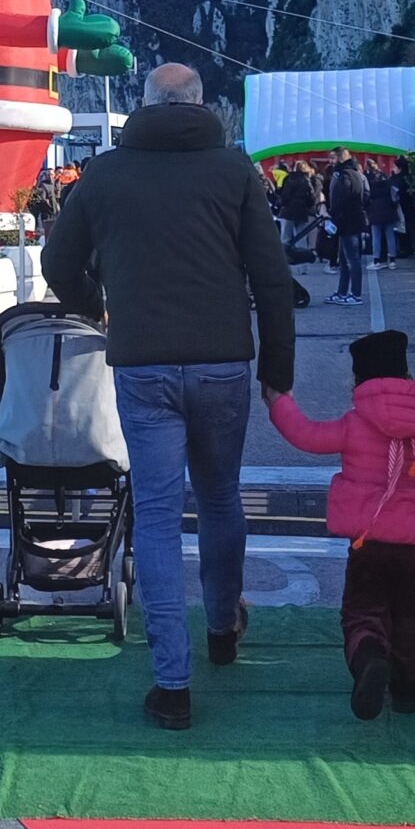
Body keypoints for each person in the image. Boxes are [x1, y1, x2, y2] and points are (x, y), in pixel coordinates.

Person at [43, 61, 299, 732]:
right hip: (222, 363)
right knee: (220, 496)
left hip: (144, 364)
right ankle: (223, 628)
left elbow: (56, 264)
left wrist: (96, 307)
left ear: (144, 103)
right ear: (200, 104)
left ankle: (172, 683)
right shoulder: (234, 170)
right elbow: (272, 278)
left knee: (157, 516)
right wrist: (279, 368)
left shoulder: (104, 174)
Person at [267, 329, 415, 719]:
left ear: (359, 381)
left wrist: (278, 402)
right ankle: (408, 689)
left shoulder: (354, 424)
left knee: (363, 610)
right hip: (412, 551)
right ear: (407, 376)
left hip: (368, 543)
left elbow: (307, 435)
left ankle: (370, 656)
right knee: (408, 614)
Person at [325, 150, 372, 305]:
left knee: (352, 259)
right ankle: (342, 292)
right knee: (345, 259)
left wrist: (334, 216)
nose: (330, 161)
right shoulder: (357, 173)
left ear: (340, 157)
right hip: (353, 219)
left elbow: (341, 199)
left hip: (347, 221)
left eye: (333, 157)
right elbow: (365, 196)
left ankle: (355, 294)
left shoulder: (343, 175)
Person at [366, 163, 406, 269]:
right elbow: (395, 198)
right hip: (389, 212)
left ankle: (376, 261)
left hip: (375, 213)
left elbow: (366, 198)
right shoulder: (389, 183)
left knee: (376, 237)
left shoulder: (371, 184)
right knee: (390, 236)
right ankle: (392, 261)